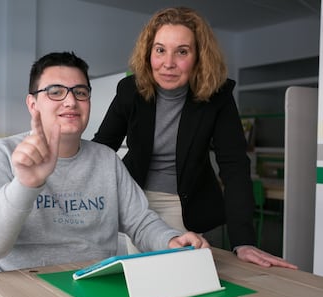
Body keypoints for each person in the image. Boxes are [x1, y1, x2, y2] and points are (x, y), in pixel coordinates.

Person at [0, 51, 209, 272]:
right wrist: (24, 184)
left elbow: (141, 222)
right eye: (55, 92)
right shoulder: (3, 153)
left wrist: (170, 240)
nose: (71, 101)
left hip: (95, 286)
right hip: (23, 291)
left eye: (80, 92)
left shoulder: (106, 159)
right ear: (32, 103)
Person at [92, 7, 297, 269]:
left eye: (182, 51)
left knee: (191, 285)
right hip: (135, 203)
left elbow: (234, 165)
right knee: (145, 282)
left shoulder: (218, 96)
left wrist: (243, 240)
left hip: (189, 206)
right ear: (148, 52)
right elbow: (102, 149)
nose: (168, 63)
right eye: (160, 50)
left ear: (199, 56)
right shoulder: (130, 90)